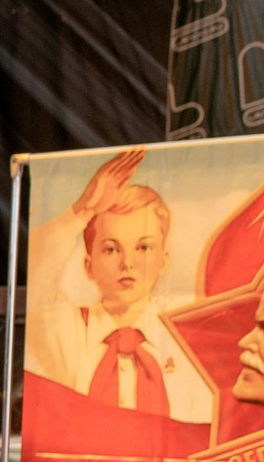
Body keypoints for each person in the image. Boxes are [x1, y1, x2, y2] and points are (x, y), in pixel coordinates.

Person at [30, 149, 210, 421]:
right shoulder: (69, 332)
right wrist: (82, 211)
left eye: (143, 247)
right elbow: (35, 271)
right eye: (112, 249)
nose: (128, 263)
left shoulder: (187, 337)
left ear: (163, 260)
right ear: (88, 266)